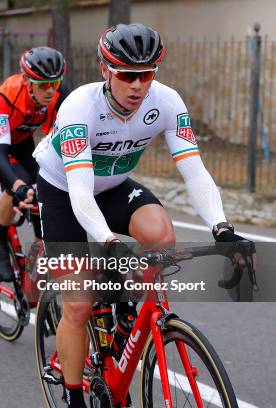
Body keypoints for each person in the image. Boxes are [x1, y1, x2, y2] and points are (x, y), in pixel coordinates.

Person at [33, 23, 255, 408]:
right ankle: (73, 397)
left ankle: (123, 311)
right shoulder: (79, 107)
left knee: (161, 235)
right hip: (64, 190)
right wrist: (108, 241)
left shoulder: (166, 102)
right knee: (79, 304)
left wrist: (223, 229)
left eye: (147, 74)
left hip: (114, 185)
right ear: (106, 70)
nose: (138, 85)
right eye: (128, 75)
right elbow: (81, 192)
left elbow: (195, 171)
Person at [0, 46, 69, 283]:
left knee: (44, 189)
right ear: (26, 80)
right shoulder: (6, 97)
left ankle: (33, 269)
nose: (49, 90)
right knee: (17, 184)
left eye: (54, 83)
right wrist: (15, 183)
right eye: (42, 84)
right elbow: (1, 153)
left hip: (21, 137)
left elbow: (60, 141)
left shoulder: (59, 94)